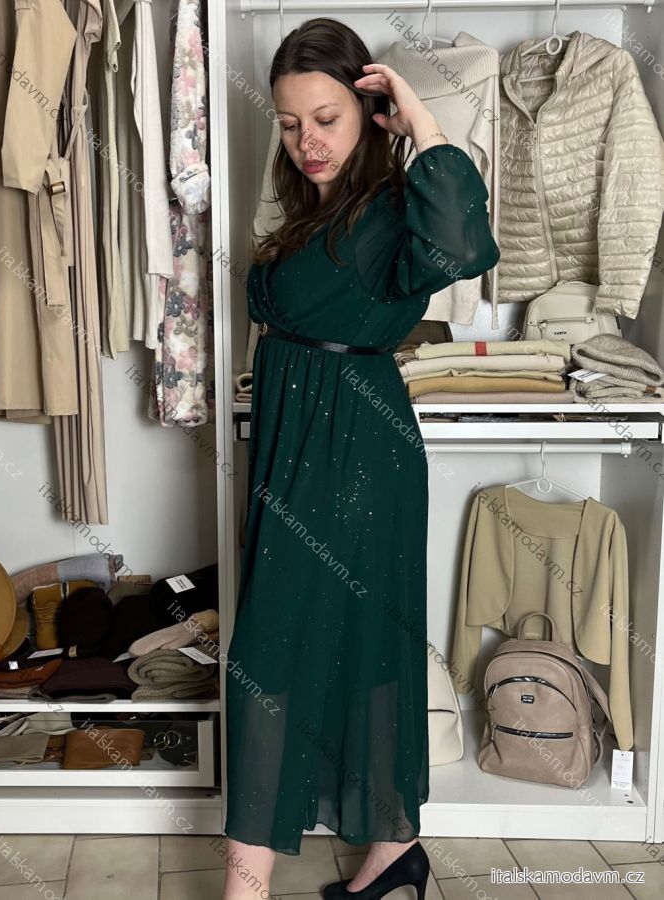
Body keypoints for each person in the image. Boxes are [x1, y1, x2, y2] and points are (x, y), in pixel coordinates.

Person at [223, 17, 500, 900]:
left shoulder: (395, 209)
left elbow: (465, 249)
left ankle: (245, 886)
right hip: (296, 446)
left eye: (327, 119)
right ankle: (393, 851)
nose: (307, 140)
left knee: (274, 654)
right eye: (289, 123)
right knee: (347, 646)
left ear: (369, 115)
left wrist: (419, 119)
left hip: (355, 454)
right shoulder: (319, 211)